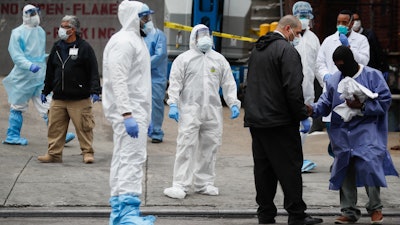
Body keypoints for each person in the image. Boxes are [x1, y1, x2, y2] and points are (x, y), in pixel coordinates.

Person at [243, 15, 323, 225]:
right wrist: (302, 115)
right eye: (297, 33)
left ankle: (266, 214)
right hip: (279, 121)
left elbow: (251, 84)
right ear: (288, 29)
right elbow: (292, 88)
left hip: (257, 120)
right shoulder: (287, 51)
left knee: (264, 170)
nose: (298, 37)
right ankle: (296, 215)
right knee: (290, 169)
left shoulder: (258, 49)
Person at [307, 45, 398, 224]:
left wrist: (363, 106)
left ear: (351, 61)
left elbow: (385, 101)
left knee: (370, 162)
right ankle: (349, 211)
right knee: (344, 167)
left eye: (343, 65)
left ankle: (375, 208)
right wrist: (312, 109)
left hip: (367, 129)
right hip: (343, 133)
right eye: (337, 66)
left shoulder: (372, 76)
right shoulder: (335, 80)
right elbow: (325, 102)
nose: (341, 69)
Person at [163, 24, 241, 199]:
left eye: (207, 34)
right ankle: (180, 184)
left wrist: (233, 103)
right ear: (193, 38)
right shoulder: (184, 59)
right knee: (185, 146)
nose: (205, 37)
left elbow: (228, 83)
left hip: (212, 111)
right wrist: (173, 103)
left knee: (210, 147)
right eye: (201, 35)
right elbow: (175, 83)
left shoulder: (219, 60)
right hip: (189, 110)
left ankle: (203, 183)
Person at [102, 1, 156, 224]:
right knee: (131, 160)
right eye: (144, 17)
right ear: (133, 17)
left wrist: (147, 116)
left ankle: (119, 210)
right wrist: (127, 114)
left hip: (136, 111)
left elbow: (138, 81)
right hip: (130, 113)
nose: (149, 21)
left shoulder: (135, 39)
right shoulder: (124, 41)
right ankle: (127, 214)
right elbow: (119, 80)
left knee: (123, 158)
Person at [2, 4, 75, 146]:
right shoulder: (17, 33)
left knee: (48, 105)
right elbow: (17, 55)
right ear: (25, 15)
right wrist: (29, 65)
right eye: (31, 13)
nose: (35, 15)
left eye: (36, 12)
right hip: (23, 77)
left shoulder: (40, 31)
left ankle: (59, 134)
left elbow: (38, 52)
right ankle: (12, 135)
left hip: (39, 76)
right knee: (18, 106)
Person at [38, 15, 101, 164]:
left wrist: (95, 90)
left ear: (72, 30)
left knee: (84, 127)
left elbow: (93, 70)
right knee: (55, 127)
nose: (60, 29)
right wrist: (46, 90)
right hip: (59, 96)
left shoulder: (84, 48)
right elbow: (50, 70)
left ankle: (87, 153)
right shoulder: (57, 47)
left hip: (79, 98)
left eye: (64, 26)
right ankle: (53, 154)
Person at [316, 9, 370, 158]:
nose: (341, 25)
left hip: (352, 91)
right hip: (332, 91)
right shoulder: (328, 41)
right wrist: (325, 76)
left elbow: (365, 62)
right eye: (338, 22)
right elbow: (319, 63)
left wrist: (349, 49)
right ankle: (338, 158)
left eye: (344, 23)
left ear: (352, 23)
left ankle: (345, 161)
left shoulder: (361, 40)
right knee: (333, 128)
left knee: (351, 129)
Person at [292, 1, 321, 172]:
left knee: (304, 126)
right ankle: (288, 159)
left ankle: (297, 158)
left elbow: (317, 66)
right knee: (288, 125)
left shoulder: (313, 39)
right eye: (300, 16)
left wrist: (328, 86)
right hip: (288, 90)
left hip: (307, 90)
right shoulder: (287, 36)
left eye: (305, 17)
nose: (303, 20)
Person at [140, 4, 168, 143]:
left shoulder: (159, 35)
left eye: (148, 17)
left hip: (156, 77)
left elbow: (160, 55)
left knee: (156, 104)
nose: (147, 20)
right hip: (140, 78)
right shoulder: (138, 36)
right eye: (144, 18)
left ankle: (156, 131)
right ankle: (142, 128)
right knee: (140, 103)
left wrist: (142, 65)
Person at [352, 12, 389, 79]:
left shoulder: (369, 35)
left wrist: (384, 67)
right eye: (353, 20)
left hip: (370, 69)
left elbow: (378, 52)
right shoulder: (349, 37)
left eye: (357, 20)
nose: (356, 22)